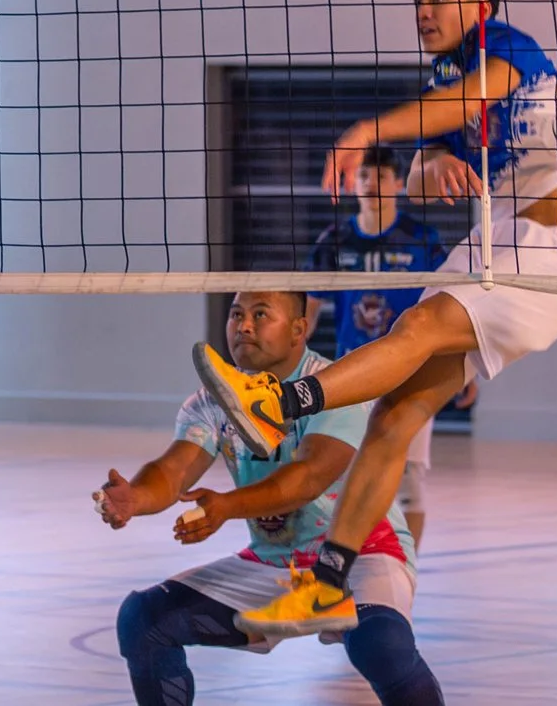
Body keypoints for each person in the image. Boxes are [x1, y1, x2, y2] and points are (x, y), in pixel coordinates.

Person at [193, 0, 557, 634]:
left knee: (415, 330)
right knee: (393, 418)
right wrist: (437, 166)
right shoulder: (449, 75)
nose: (424, 12)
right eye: (418, 0)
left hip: (545, 258)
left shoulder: (506, 48)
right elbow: (428, 168)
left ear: (477, 8)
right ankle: (331, 581)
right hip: (490, 246)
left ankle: (278, 400)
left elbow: (458, 103)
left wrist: (371, 129)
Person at [97, 291, 443, 706]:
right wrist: (136, 496)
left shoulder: (337, 385)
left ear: (300, 329)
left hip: (361, 553)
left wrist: (226, 506)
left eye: (261, 315)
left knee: (380, 645)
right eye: (237, 314)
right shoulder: (213, 400)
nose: (244, 326)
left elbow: (309, 476)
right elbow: (173, 470)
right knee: (143, 620)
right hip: (277, 561)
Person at [302, 145, 458, 545]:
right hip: (355, 375)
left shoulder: (421, 240)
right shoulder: (334, 242)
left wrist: (462, 367)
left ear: (398, 184)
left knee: (409, 481)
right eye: (363, 176)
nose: (371, 184)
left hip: (412, 373)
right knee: (338, 472)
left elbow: (449, 306)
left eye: (381, 176)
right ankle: (340, 558)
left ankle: (407, 567)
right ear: (352, 184)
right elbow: (307, 313)